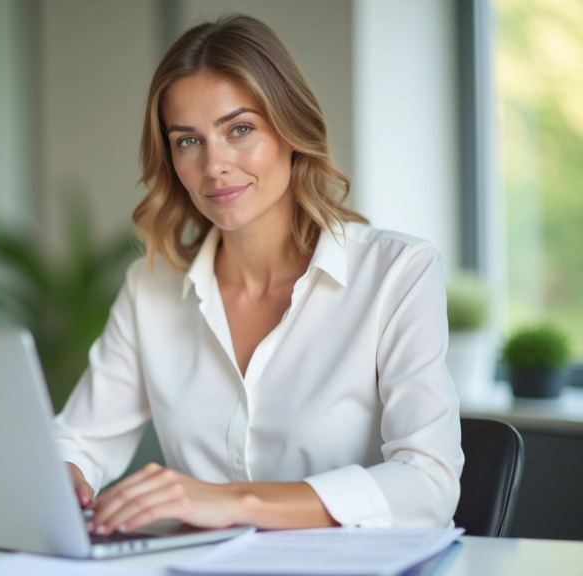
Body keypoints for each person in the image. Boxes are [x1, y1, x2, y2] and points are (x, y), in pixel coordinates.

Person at [54, 14, 464, 536]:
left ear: (292, 130)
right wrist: (63, 478)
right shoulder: (149, 290)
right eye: (187, 141)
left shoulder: (397, 274)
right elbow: (79, 440)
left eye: (240, 129)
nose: (214, 165)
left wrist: (233, 502)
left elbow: (429, 483)